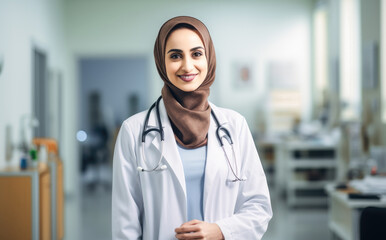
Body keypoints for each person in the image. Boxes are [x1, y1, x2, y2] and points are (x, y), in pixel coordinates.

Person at [112, 16, 272, 240]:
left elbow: (259, 207)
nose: (187, 66)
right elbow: (125, 224)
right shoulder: (133, 131)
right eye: (175, 56)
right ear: (161, 61)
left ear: (209, 57)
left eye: (197, 54)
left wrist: (220, 230)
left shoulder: (235, 126)